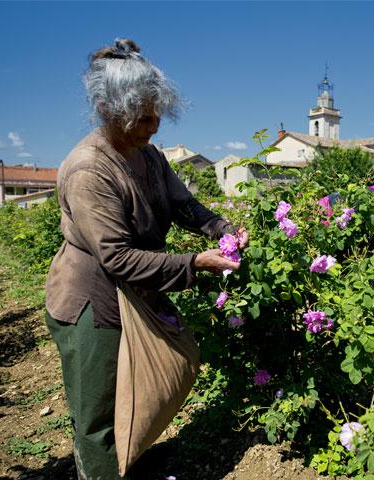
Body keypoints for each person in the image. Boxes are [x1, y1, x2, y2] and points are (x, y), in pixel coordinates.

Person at [44, 39, 247, 479]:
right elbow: (116, 258)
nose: (154, 126)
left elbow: (183, 206)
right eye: (142, 117)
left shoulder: (149, 156)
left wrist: (223, 230)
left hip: (136, 291)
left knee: (142, 388)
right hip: (91, 303)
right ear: (106, 108)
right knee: (97, 416)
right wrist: (196, 263)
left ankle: (129, 460)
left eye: (157, 114)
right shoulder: (89, 169)